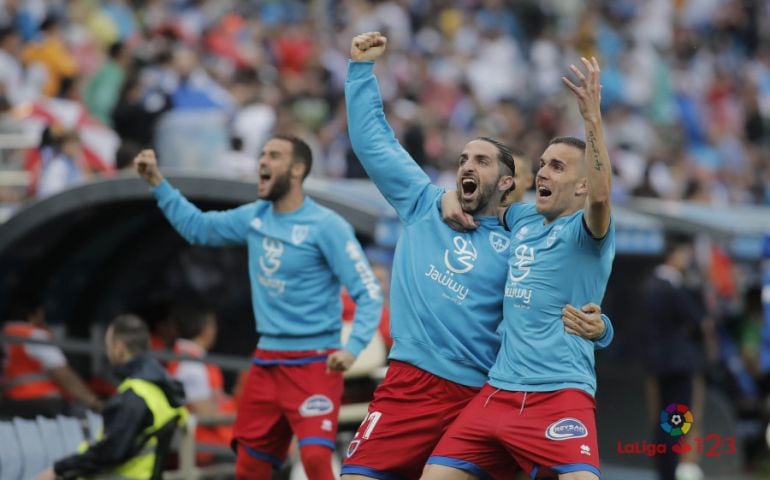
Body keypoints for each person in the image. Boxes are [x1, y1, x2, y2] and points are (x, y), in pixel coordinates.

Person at [341, 32, 613, 480]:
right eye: (464, 159)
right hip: (410, 387)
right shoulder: (423, 203)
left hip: (485, 392)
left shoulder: (526, 231)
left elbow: (563, 293)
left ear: (508, 183)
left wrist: (603, 327)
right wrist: (360, 70)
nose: (468, 166)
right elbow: (374, 144)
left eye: (483, 161)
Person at [133, 135, 382, 480]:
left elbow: (369, 292)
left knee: (314, 459)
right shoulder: (255, 217)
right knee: (248, 467)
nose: (262, 161)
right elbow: (198, 228)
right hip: (266, 361)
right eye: (262, 154)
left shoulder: (327, 226)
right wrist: (156, 183)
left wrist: (353, 348)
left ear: (297, 170)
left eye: (274, 156)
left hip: (314, 363)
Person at [423, 56, 614, 480]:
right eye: (543, 164)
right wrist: (446, 198)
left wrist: (591, 119)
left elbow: (601, 199)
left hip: (559, 392)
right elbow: (485, 204)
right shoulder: (524, 218)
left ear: (582, 184)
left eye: (557, 167)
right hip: (498, 390)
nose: (543, 172)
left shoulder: (588, 233)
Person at [34, 314, 187, 480]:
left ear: (119, 348)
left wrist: (58, 470)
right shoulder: (158, 388)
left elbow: (108, 454)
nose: (107, 352)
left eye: (108, 346)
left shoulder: (134, 397)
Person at [642, 233, 717, 480]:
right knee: (677, 420)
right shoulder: (672, 287)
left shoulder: (650, 284)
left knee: (663, 420)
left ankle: (665, 469)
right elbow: (701, 321)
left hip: (656, 362)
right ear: (673, 254)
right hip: (678, 364)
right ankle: (671, 470)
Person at [2, 299, 102, 416]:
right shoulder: (34, 335)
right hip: (43, 403)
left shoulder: (5, 335)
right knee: (83, 415)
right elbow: (62, 373)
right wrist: (94, 403)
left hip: (11, 403)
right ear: (35, 314)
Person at [165, 304, 236, 459]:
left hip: (216, 440)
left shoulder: (193, 358)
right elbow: (206, 414)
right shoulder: (190, 365)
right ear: (205, 329)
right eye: (213, 325)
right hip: (206, 446)